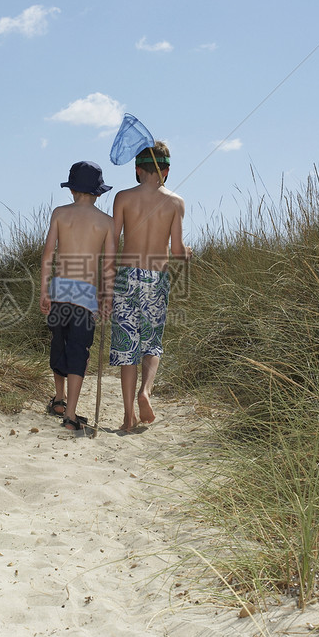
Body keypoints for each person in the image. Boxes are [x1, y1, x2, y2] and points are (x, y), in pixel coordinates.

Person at [109, 140, 191, 432]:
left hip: (126, 275)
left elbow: (112, 242)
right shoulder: (175, 202)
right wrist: (187, 252)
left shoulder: (123, 198)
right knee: (151, 343)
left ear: (137, 169)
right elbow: (178, 250)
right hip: (156, 277)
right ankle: (146, 391)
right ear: (166, 171)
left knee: (126, 346)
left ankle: (128, 416)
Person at [39, 161, 115, 432]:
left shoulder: (60, 214)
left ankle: (59, 399)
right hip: (86, 293)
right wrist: (107, 298)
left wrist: (43, 290)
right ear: (97, 193)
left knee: (58, 344)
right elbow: (108, 265)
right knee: (78, 351)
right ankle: (69, 413)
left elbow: (48, 255)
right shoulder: (107, 222)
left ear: (72, 190)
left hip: (59, 288)